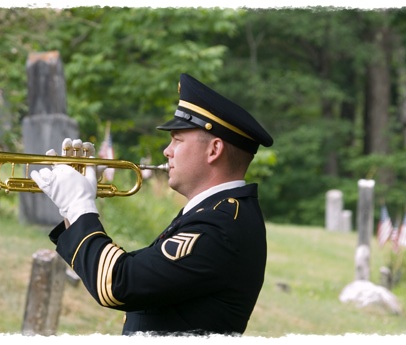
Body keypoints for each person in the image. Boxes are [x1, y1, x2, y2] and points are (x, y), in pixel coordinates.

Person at [30, 73, 273, 336]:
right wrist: (70, 209)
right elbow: (133, 277)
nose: (167, 151)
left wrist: (79, 204)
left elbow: (117, 284)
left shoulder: (220, 226)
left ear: (214, 150)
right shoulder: (217, 214)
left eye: (177, 140)